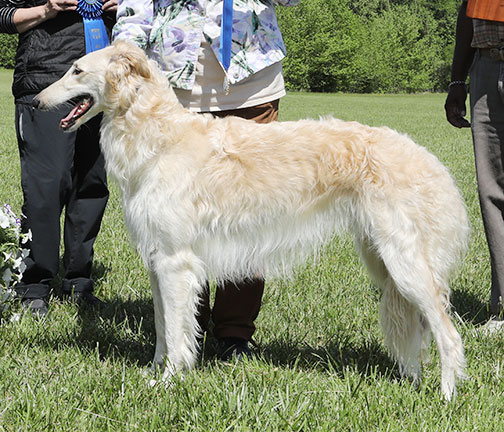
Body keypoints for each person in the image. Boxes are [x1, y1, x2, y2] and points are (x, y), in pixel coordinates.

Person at [112, 0, 298, 359]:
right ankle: (185, 330)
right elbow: (134, 11)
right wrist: (124, 59)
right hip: (176, 92)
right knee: (178, 220)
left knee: (248, 215)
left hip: (251, 85)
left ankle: (234, 333)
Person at [0, 0, 117, 317]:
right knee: (47, 186)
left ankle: (79, 282)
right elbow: (4, 16)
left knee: (92, 186)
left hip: (102, 85)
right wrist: (46, 10)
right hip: (45, 79)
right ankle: (34, 285)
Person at [445, 0, 504, 322]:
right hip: (486, 64)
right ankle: (502, 309)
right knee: (492, 192)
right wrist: (458, 81)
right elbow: (469, 10)